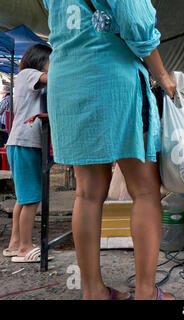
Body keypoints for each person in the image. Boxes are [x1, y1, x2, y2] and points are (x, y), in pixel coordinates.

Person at [43, 0, 176, 300]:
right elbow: (136, 22)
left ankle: (93, 292)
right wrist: (163, 76)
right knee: (144, 190)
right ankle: (145, 293)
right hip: (112, 76)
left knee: (87, 193)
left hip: (66, 78)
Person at [2, 44, 52, 263]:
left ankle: (14, 244)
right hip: (25, 143)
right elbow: (53, 79)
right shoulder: (28, 74)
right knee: (31, 198)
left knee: (23, 198)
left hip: (22, 143)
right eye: (51, 62)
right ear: (41, 61)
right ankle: (25, 247)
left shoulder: (26, 77)